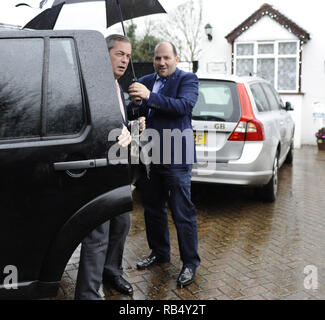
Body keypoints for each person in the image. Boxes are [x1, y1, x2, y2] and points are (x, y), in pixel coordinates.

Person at [127, 41, 200, 288]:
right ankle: (159, 252)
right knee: (152, 208)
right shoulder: (146, 79)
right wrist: (137, 105)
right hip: (150, 155)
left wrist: (149, 97)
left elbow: (183, 107)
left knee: (182, 212)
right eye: (158, 58)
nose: (161, 63)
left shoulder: (187, 79)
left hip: (177, 155)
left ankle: (190, 263)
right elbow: (134, 113)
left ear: (176, 59)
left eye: (166, 58)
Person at [74, 34, 134, 300]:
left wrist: (132, 126)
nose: (124, 60)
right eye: (119, 53)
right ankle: (87, 294)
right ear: (105, 54)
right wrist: (115, 129)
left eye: (128, 56)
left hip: (116, 169)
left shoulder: (117, 88)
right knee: (98, 233)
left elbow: (119, 123)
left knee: (122, 221)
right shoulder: (91, 86)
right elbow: (86, 122)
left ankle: (112, 270)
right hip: (97, 167)